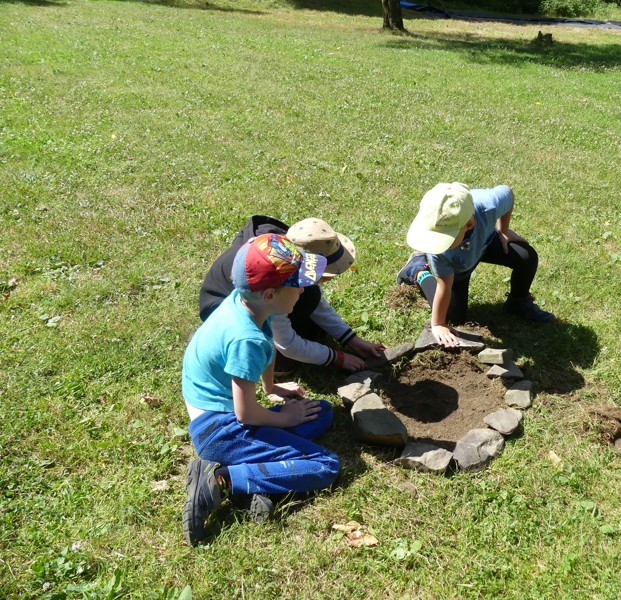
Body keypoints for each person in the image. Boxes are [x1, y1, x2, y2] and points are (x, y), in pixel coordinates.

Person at [182, 233, 340, 545]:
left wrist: (271, 387)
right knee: (327, 465)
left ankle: (260, 476)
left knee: (321, 412)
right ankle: (224, 480)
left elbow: (268, 347)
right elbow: (245, 413)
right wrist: (285, 419)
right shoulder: (246, 339)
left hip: (220, 414)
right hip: (220, 428)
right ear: (270, 294)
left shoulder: (249, 304)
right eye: (297, 283)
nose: (304, 288)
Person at [199, 216, 385, 373]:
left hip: (266, 296)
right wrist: (336, 357)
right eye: (324, 277)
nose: (325, 281)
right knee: (283, 362)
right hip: (225, 307)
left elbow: (316, 302)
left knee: (313, 326)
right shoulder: (272, 286)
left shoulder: (291, 256)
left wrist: (352, 340)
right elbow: (288, 344)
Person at [398, 182, 555, 348]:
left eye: (446, 238)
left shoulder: (488, 204)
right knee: (454, 316)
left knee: (526, 257)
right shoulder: (439, 251)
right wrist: (437, 324)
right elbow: (445, 286)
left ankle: (518, 302)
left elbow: (507, 193)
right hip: (457, 267)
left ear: (469, 225)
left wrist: (504, 230)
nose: (437, 244)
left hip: (484, 242)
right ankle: (417, 270)